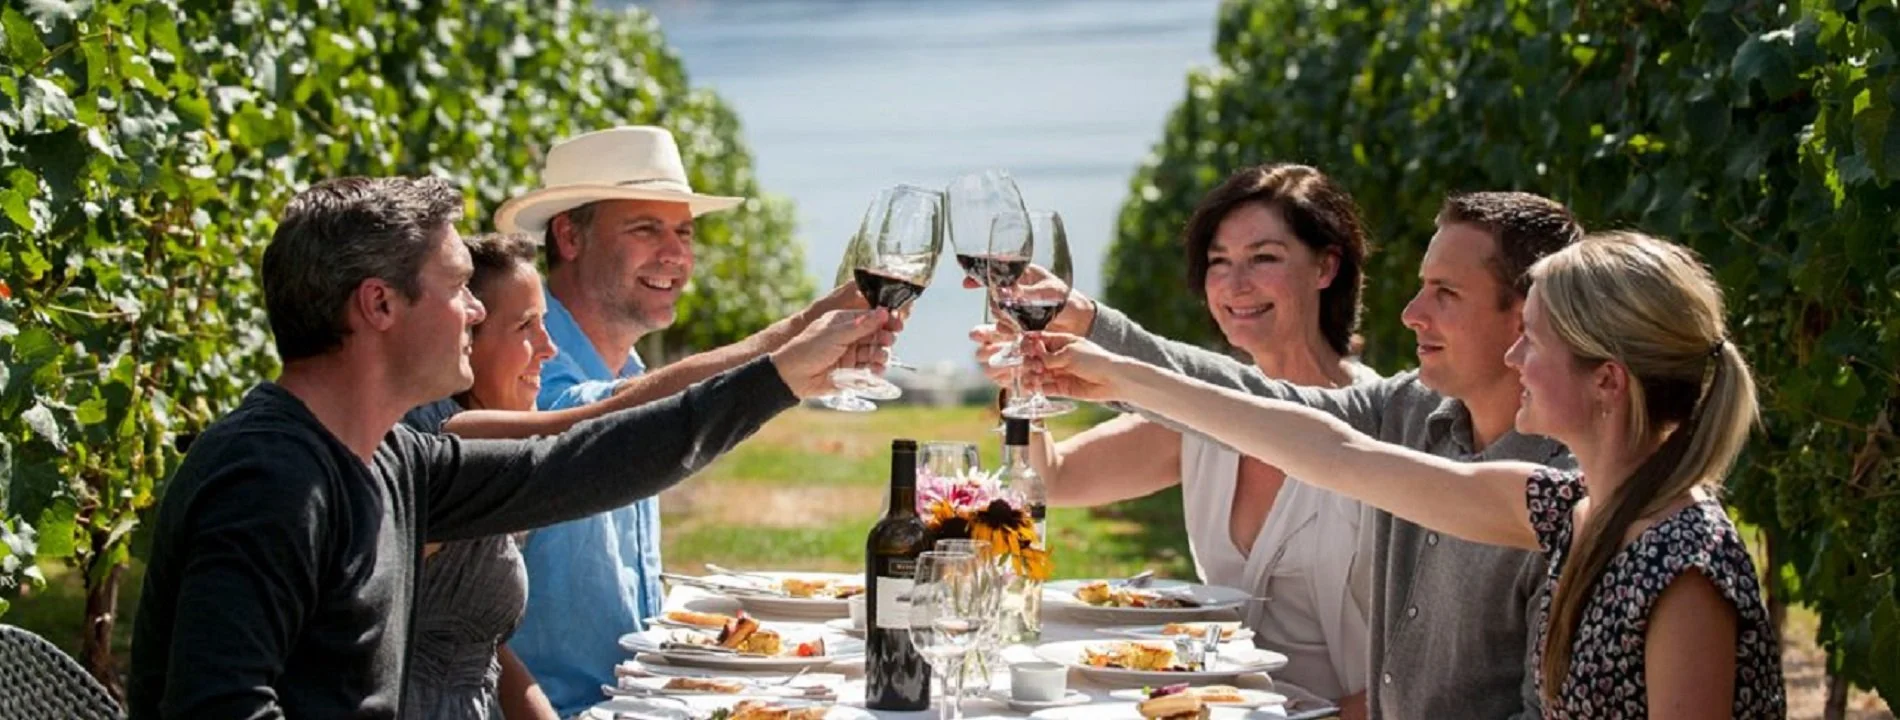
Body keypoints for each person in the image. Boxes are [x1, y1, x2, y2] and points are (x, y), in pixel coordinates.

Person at [126, 176, 893, 719]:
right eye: (458, 287)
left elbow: (580, 462)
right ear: (379, 305)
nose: (471, 310)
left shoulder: (390, 456)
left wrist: (782, 376)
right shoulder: (272, 485)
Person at [1022, 231, 1786, 717]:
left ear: (1607, 381)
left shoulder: (1682, 562)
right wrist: (1121, 376)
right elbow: (1330, 451)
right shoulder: (1561, 506)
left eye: (1536, 342)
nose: (1515, 357)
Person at [977, 191, 1582, 718]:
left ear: (1528, 317)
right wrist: (1096, 337)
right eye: (1219, 262)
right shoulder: (1404, 411)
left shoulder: (1566, 497)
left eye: (1445, 292)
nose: (1412, 313)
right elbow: (1251, 402)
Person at [488, 126, 867, 716]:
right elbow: (602, 418)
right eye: (646, 229)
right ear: (568, 236)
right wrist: (791, 342)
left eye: (684, 232)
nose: (675, 254)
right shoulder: (522, 368)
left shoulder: (632, 365)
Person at [985, 165, 1380, 709]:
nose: (1235, 285)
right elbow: (1052, 479)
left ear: (1325, 266)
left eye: (1263, 258)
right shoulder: (1203, 417)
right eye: (1219, 262)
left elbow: (1411, 666)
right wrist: (1022, 388)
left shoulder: (1381, 426)